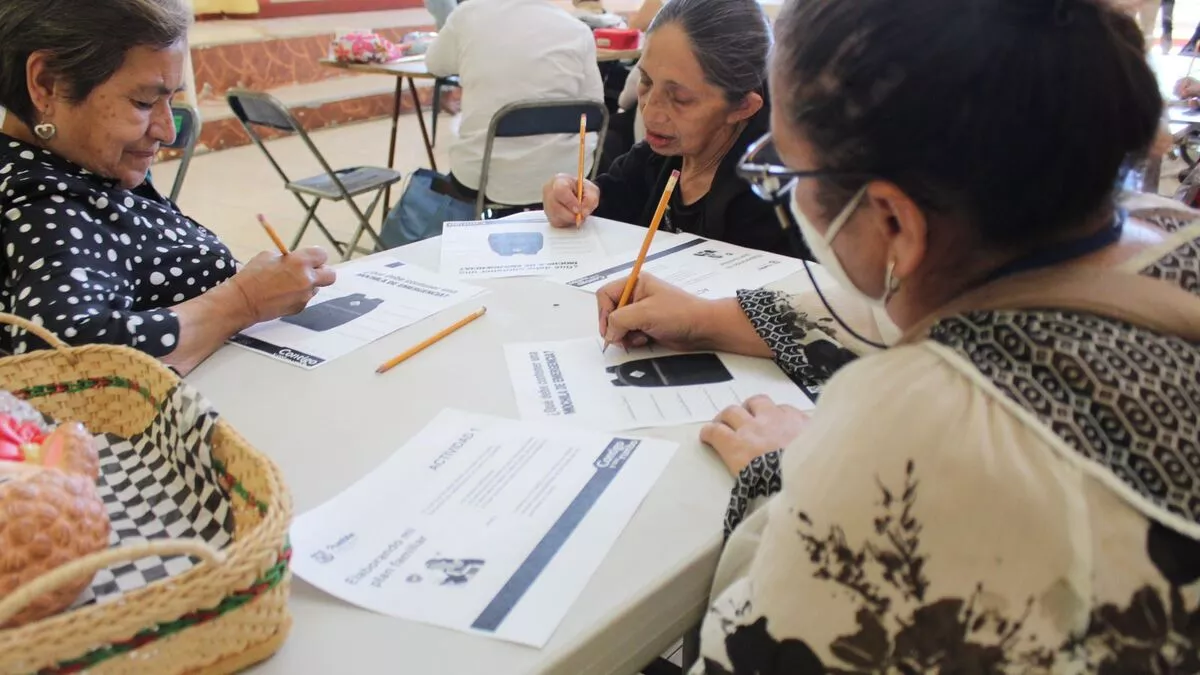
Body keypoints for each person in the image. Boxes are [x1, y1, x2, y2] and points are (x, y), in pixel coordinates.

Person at [596, 0, 1200, 670]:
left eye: (787, 172)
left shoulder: (914, 448)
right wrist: (706, 316)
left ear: (892, 220)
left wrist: (791, 473)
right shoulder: (1158, 229)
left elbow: (759, 646)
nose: (785, 192)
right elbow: (912, 305)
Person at [0, 0, 335, 374]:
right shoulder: (44, 202)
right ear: (47, 84)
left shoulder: (84, 163)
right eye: (143, 102)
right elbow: (66, 362)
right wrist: (245, 300)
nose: (167, 130)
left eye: (170, 99)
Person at [542, 0, 794, 257]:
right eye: (646, 81)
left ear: (743, 106)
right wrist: (574, 198)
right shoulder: (656, 160)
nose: (650, 112)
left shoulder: (775, 198)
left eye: (680, 99)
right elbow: (607, 201)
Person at [424, 0, 604, 210]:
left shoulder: (467, 15)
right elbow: (595, 108)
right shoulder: (577, 30)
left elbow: (435, 64)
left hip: (480, 178)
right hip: (567, 178)